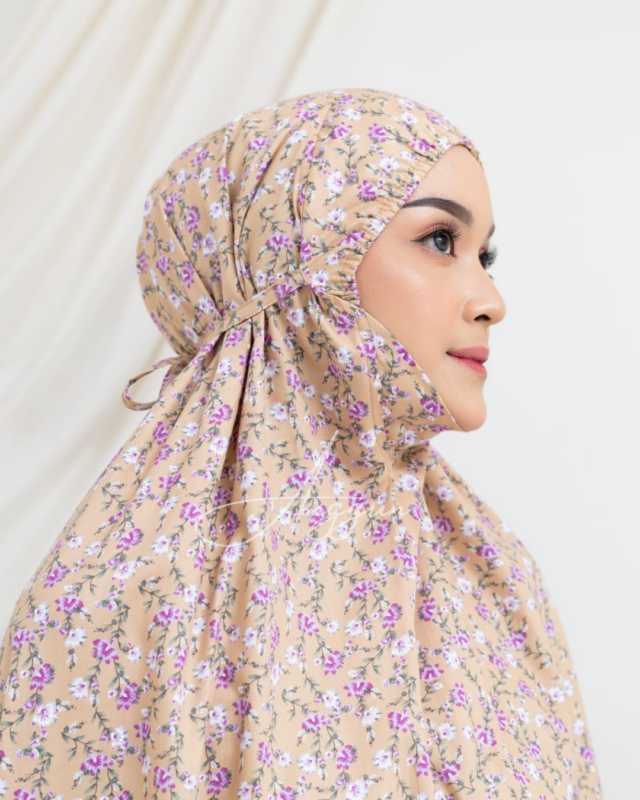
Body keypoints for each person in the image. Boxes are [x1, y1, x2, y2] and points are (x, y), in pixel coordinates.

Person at [0, 87, 604, 799]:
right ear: (290, 263)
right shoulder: (119, 600)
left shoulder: (496, 576)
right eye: (441, 241)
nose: (491, 302)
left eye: (485, 254)